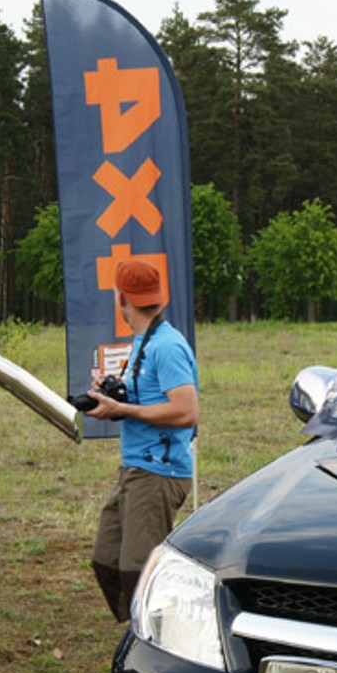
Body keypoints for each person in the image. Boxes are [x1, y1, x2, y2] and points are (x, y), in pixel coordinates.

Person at [84, 258, 199, 620]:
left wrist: (124, 411)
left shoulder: (166, 346)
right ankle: (140, 626)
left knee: (140, 569)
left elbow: (186, 411)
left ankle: (161, 637)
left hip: (159, 473)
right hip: (135, 468)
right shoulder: (143, 343)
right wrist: (113, 396)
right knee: (106, 558)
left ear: (121, 299)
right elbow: (149, 398)